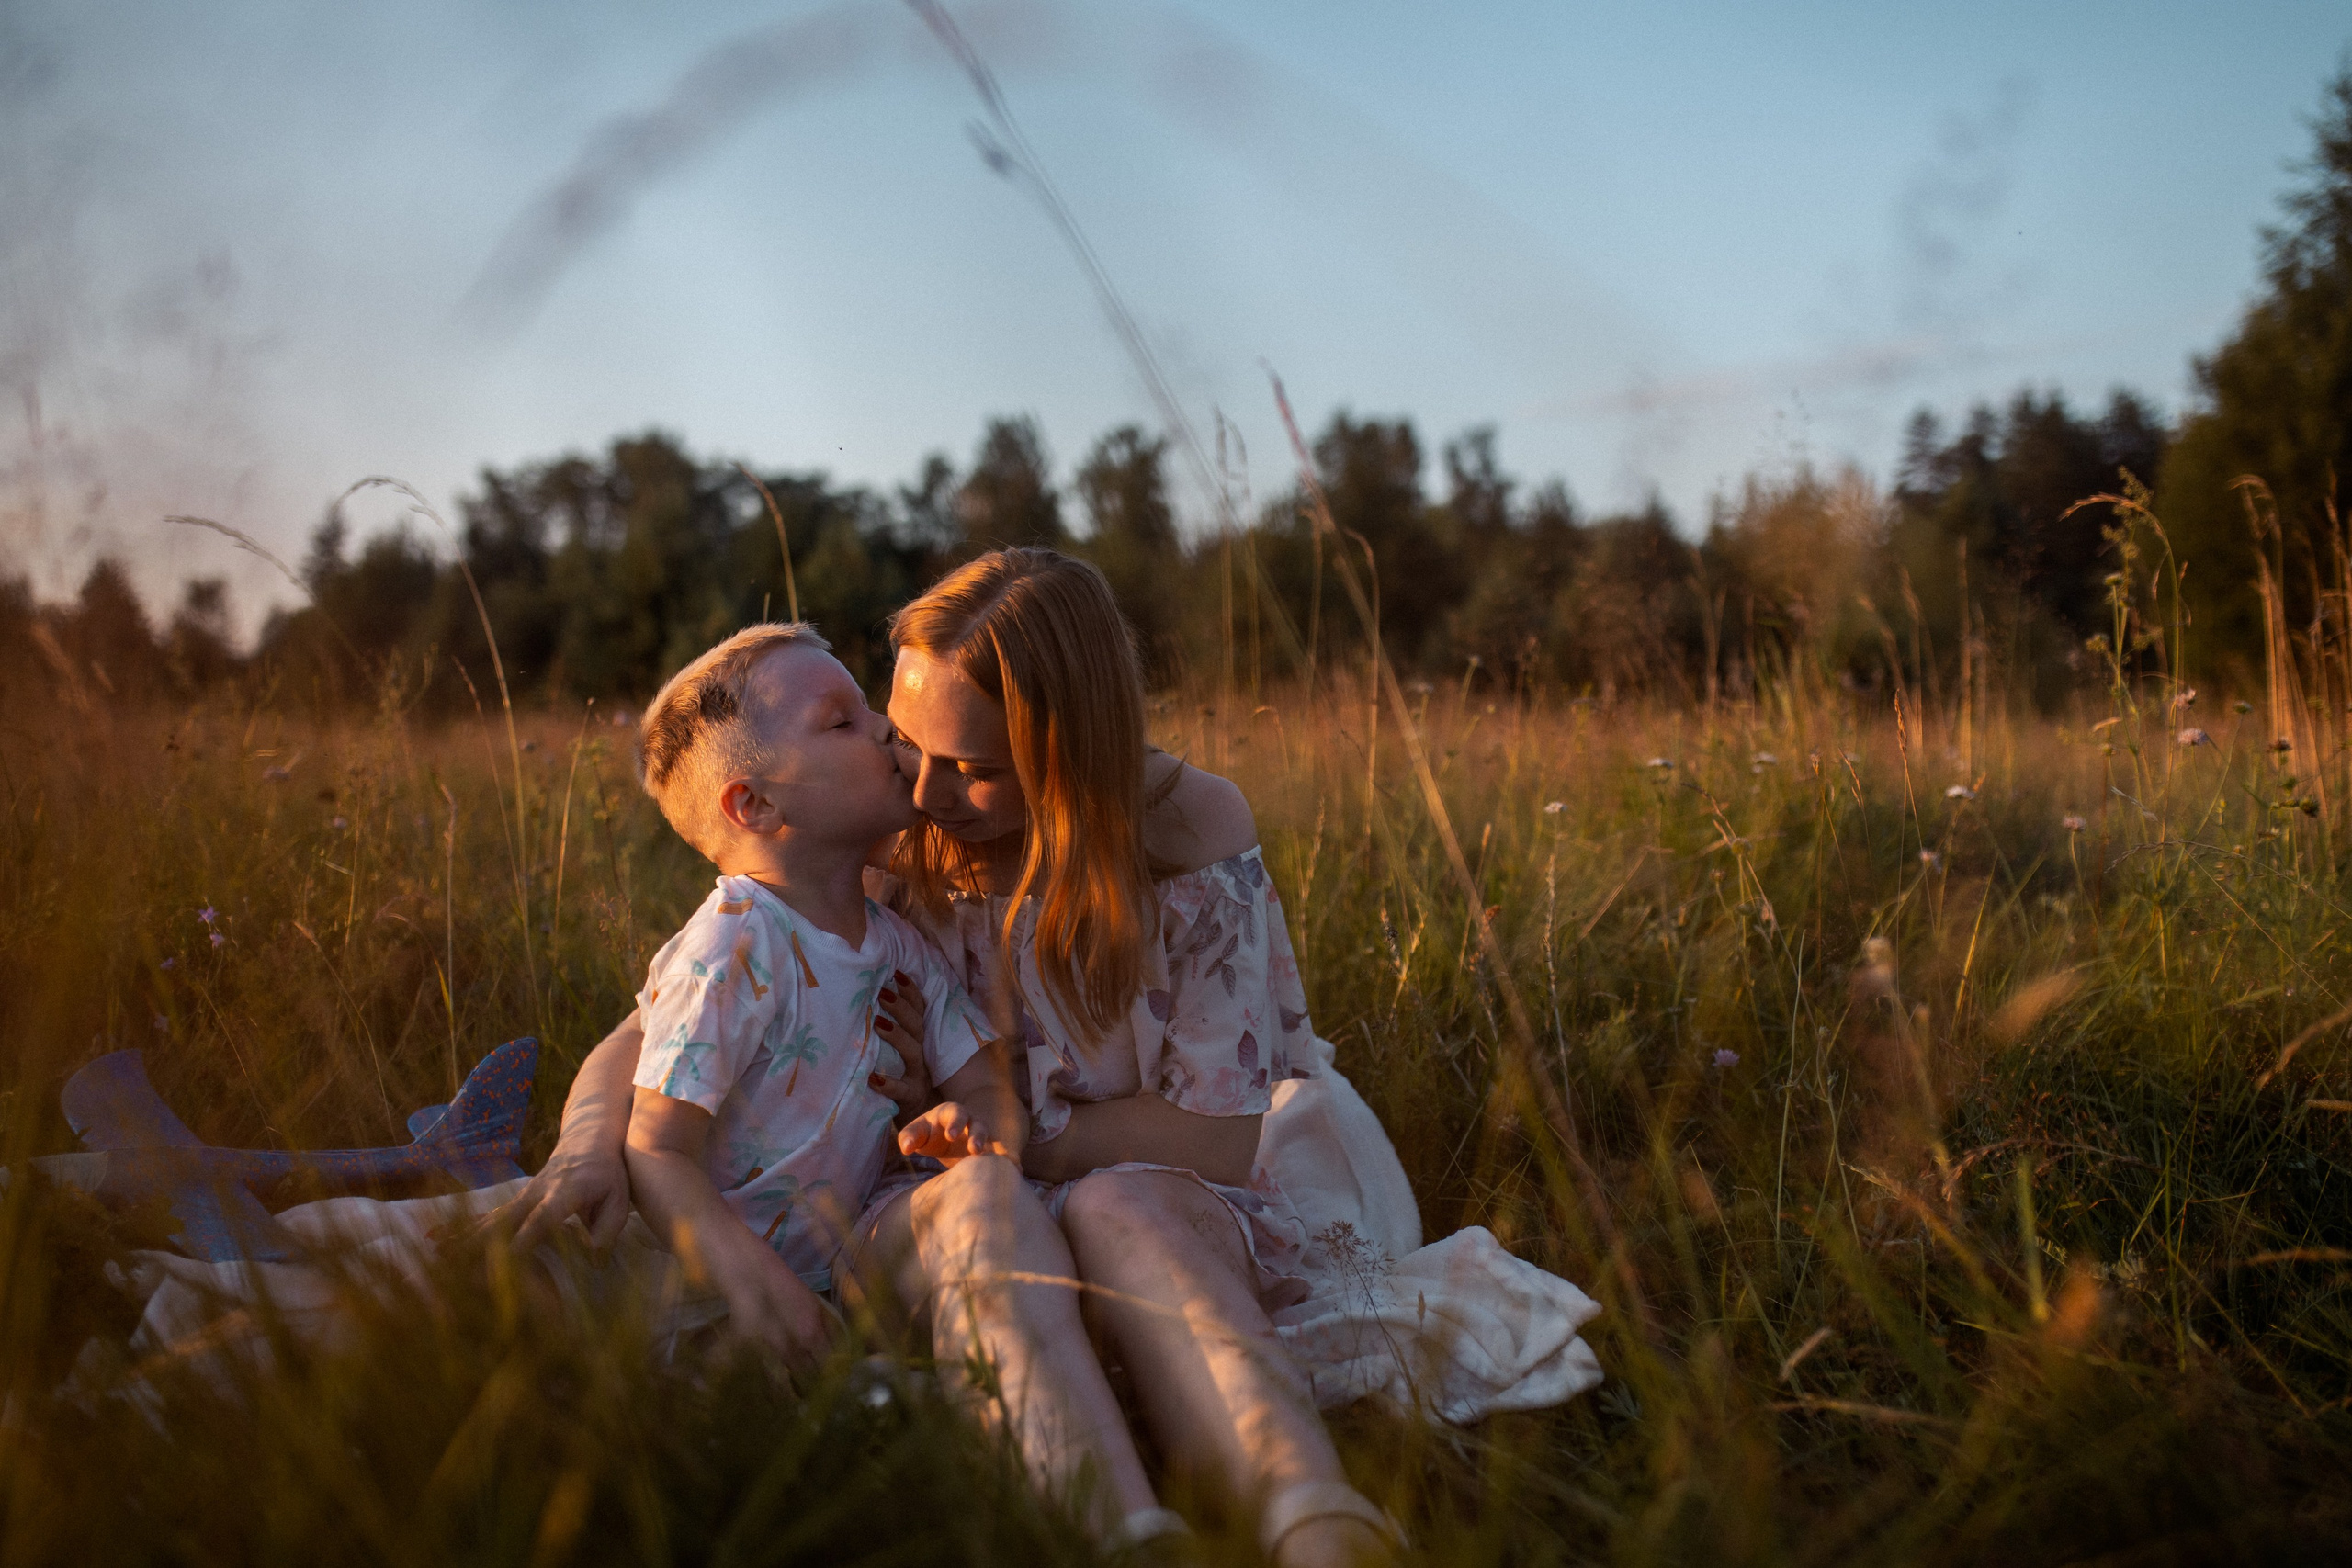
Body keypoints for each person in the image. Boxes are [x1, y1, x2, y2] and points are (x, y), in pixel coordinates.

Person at [607, 619, 1176, 1550]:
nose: (885, 731)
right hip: (706, 1273)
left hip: (852, 1257)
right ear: (751, 805)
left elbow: (985, 1082)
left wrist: (974, 1125)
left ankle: (1122, 1526)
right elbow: (658, 1149)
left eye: (871, 711)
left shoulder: (899, 944)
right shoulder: (732, 946)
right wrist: (757, 1284)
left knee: (988, 1199)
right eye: (841, 722)